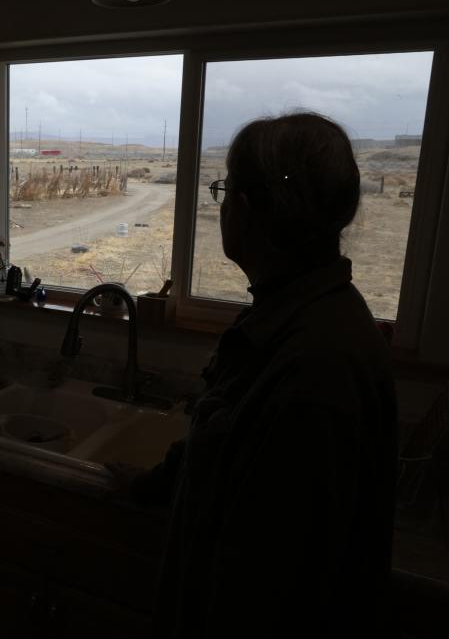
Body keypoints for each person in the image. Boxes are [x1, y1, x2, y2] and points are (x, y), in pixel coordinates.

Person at [121, 112, 398, 637]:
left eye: (223, 189)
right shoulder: (288, 318)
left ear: (245, 210)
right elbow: (219, 444)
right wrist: (151, 486)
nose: (222, 204)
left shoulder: (315, 370)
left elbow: (270, 592)